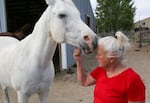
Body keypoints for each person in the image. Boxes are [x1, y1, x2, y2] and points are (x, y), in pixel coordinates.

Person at [73, 31, 145, 103]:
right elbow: (84, 81)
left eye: (99, 54)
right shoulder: (101, 70)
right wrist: (79, 62)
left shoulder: (132, 80)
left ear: (111, 58)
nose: (96, 57)